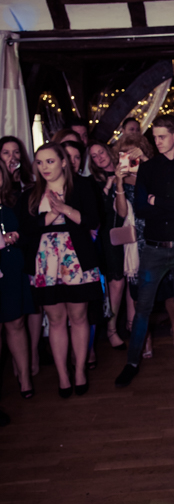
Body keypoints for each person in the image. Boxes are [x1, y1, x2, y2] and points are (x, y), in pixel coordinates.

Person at [114, 115, 174, 386]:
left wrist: (159, 201)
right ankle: (132, 361)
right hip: (153, 249)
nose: (157, 141)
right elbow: (141, 209)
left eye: (162, 136)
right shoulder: (148, 169)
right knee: (143, 307)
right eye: (155, 137)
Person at [18, 144, 102, 398]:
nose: (44, 167)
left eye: (50, 161)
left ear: (63, 162)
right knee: (55, 321)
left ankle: (79, 372)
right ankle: (63, 376)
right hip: (46, 262)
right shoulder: (31, 194)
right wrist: (50, 216)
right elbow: (26, 230)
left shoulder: (83, 187)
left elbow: (94, 220)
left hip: (76, 259)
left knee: (78, 318)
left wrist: (65, 210)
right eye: (40, 162)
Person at [0, 160, 34, 398]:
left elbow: (28, 232)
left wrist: (16, 236)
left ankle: (25, 378)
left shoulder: (13, 201)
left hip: (12, 267)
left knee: (16, 323)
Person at [88, 140, 126, 349]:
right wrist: (109, 185)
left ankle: (130, 325)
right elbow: (98, 211)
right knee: (116, 281)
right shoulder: (94, 181)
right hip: (109, 236)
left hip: (132, 230)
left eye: (100, 152)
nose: (99, 157)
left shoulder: (126, 167)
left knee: (132, 282)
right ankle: (111, 329)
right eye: (94, 156)